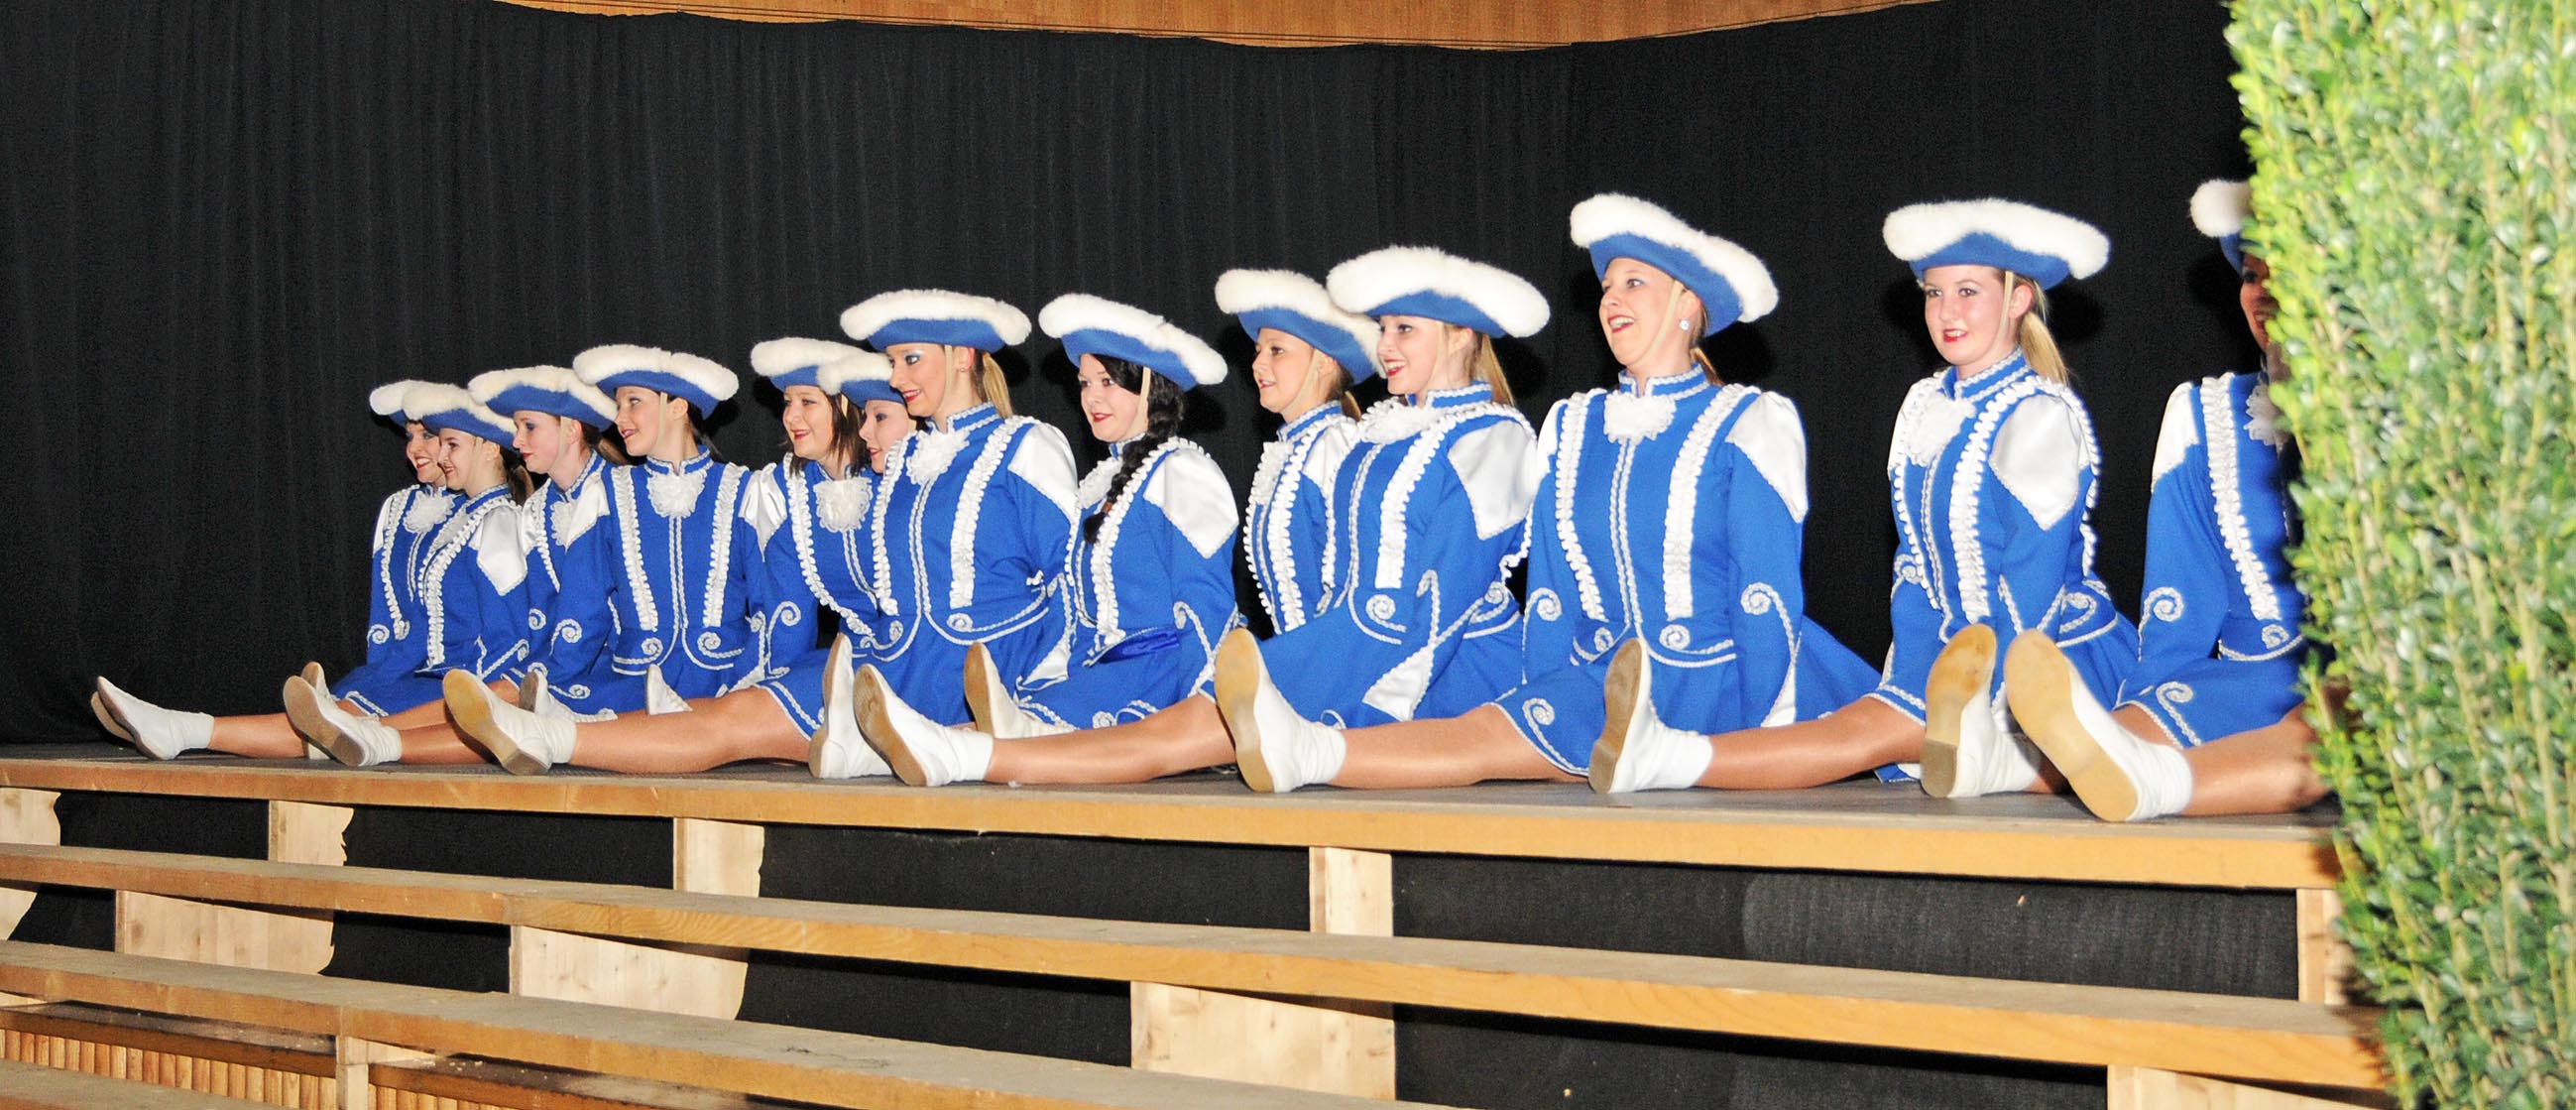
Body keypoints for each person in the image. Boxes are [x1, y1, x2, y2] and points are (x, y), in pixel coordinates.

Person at [1591, 197, 2137, 798]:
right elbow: (1914, 570)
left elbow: (2033, 591)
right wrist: (1909, 679)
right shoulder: (1924, 406)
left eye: (1968, 292)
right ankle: (1662, 755)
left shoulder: (2038, 415)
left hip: (2045, 662)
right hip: (1953, 662)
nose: (1947, 311)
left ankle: (1661, 758)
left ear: (2017, 300)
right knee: (1870, 723)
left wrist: (1990, 704)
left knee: (1870, 732)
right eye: (1934, 293)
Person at [2003, 180, 2330, 820]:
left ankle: (2154, 784)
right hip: (2255, 677)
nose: (2262, 293)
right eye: (2251, 275)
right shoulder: (2208, 414)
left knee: (2328, 713)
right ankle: (1998, 762)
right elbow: (2180, 611)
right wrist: (2144, 705)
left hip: (2365, 680)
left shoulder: (2396, 414)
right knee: (2151, 715)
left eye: (2284, 271)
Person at [440, 343, 910, 777]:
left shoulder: (752, 491)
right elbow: (583, 611)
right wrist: (548, 673)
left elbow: (781, 614)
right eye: (787, 402)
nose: (789, 416)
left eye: (806, 402)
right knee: (584, 704)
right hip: (639, 676)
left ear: (678, 407)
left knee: (726, 718)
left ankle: (546, 737)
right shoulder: (787, 491)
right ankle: (468, 736)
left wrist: (753, 681)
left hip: (747, 673)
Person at [848, 295, 1241, 787]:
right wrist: (1057, 673)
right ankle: (913, 747)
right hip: (1100, 673)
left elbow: (1207, 604)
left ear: (1149, 386)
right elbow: (1071, 604)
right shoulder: (1100, 488)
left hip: (1163, 673)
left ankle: (952, 751)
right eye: (1084, 384)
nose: (1091, 398)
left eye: (1107, 382)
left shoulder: (1182, 469)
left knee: (1030, 733)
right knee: (1024, 719)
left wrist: (1208, 703)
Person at [1214, 246, 1547, 792]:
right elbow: (1341, 580)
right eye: (1384, 328)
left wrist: (1380, 699)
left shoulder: (1493, 436)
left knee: (1210, 721)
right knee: (1208, 714)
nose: (1386, 345)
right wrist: (1326, 655)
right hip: (1365, 646)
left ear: (1460, 335)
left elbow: (1449, 593)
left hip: (1455, 668)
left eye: (1404, 329)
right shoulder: (1377, 435)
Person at [94, 382, 533, 760]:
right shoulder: (456, 517)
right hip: (427, 674)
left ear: (487, 447)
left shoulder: (497, 520)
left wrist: (479, 691)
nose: (422, 449)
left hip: (459, 679)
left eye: (443, 441)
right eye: (421, 438)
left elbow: (508, 635)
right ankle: (184, 728)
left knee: (338, 722)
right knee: (334, 720)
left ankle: (184, 729)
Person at [294, 365, 623, 766]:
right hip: (537, 665)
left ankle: (368, 734)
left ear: (571, 428)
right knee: (473, 702)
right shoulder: (538, 507)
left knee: (487, 705)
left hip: (597, 667)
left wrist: (530, 679)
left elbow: (564, 620)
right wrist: (383, 672)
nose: (517, 439)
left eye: (529, 427)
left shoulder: (608, 493)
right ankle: (357, 732)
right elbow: (536, 613)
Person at [1215, 269, 1371, 634]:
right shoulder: (1291, 452)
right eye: (1258, 352)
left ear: (1326, 361)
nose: (1257, 364)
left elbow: (1354, 588)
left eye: (1277, 351)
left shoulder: (1336, 446)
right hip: (1302, 658)